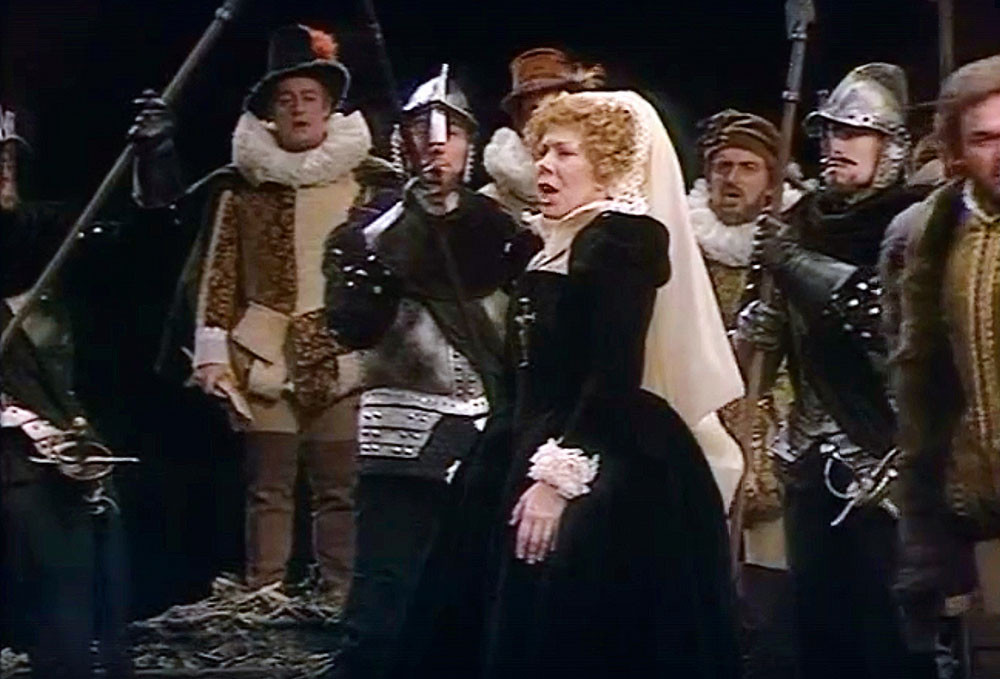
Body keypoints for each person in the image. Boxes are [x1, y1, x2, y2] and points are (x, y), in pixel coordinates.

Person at [444, 90, 739, 678]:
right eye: (542, 152)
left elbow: (611, 376)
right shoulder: (546, 244)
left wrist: (559, 481)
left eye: (565, 154)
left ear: (607, 167)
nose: (545, 166)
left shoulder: (620, 243)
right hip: (526, 443)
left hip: (599, 451)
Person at [132, 24, 397, 601]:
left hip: (342, 358)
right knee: (268, 488)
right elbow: (220, 272)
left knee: (340, 489)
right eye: (285, 99)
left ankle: (338, 597)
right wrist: (212, 356)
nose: (298, 109)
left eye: (309, 98)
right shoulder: (244, 188)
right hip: (265, 357)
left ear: (329, 108)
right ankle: (265, 594)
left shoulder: (369, 185)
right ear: (270, 114)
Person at [322, 67, 537, 679]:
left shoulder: (504, 232)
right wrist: (403, 227)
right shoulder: (366, 231)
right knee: (383, 613)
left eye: (452, 133)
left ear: (472, 145)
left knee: (477, 609)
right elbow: (352, 325)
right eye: (420, 130)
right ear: (402, 142)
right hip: (401, 440)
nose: (436, 144)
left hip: (488, 441)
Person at [736, 63, 934, 678]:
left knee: (888, 635)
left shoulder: (918, 224)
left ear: (891, 145)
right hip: (807, 455)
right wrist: (756, 323)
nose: (835, 145)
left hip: (888, 458)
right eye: (828, 133)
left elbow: (887, 321)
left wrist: (792, 264)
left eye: (854, 133)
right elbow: (759, 340)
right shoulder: (798, 221)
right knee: (818, 631)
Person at [1, 106, 133, 679]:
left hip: (54, 460)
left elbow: (132, 228)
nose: (3, 168)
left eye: (7, 157)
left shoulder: (41, 232)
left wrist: (153, 168)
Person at [891, 53, 1000, 652]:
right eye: (984, 139)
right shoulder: (936, 232)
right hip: (977, 509)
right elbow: (922, 382)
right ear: (957, 151)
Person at [690, 108, 800, 678]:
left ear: (773, 180)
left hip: (775, 424)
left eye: (748, 167)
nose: (731, 178)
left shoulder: (794, 244)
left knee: (769, 594)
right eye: (722, 166)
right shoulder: (682, 245)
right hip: (700, 423)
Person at [480, 47, 605, 219]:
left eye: (555, 106)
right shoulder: (491, 203)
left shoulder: (608, 179)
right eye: (534, 108)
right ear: (519, 119)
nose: (545, 118)